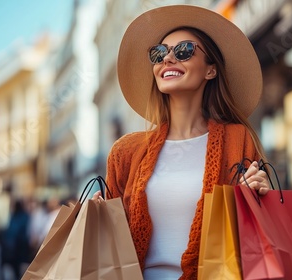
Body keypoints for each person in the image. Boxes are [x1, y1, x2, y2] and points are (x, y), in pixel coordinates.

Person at [93, 5, 270, 279]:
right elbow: (110, 252)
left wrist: (259, 195)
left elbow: (256, 236)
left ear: (210, 70)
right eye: (160, 53)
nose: (168, 59)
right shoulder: (125, 152)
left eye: (184, 50)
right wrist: (100, 218)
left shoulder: (238, 140)